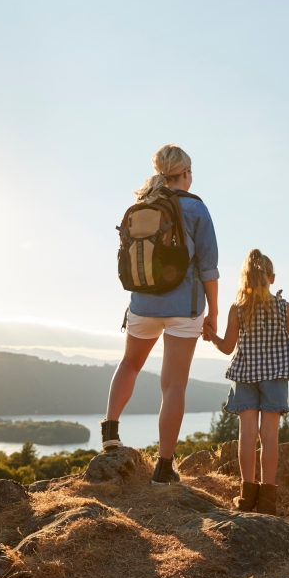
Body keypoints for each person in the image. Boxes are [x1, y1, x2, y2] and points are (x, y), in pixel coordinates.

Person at [102, 144, 220, 486]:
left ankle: (110, 431)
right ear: (186, 174)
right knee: (174, 385)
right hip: (184, 307)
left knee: (130, 364)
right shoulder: (196, 208)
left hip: (142, 303)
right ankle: (163, 467)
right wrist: (212, 312)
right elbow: (208, 268)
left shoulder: (143, 204)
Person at [202, 249, 289, 515]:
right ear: (271, 277)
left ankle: (247, 496)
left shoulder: (238, 308)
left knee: (247, 436)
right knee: (269, 437)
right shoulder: (285, 308)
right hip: (275, 376)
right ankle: (268, 499)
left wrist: (211, 336)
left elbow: (226, 348)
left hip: (245, 375)